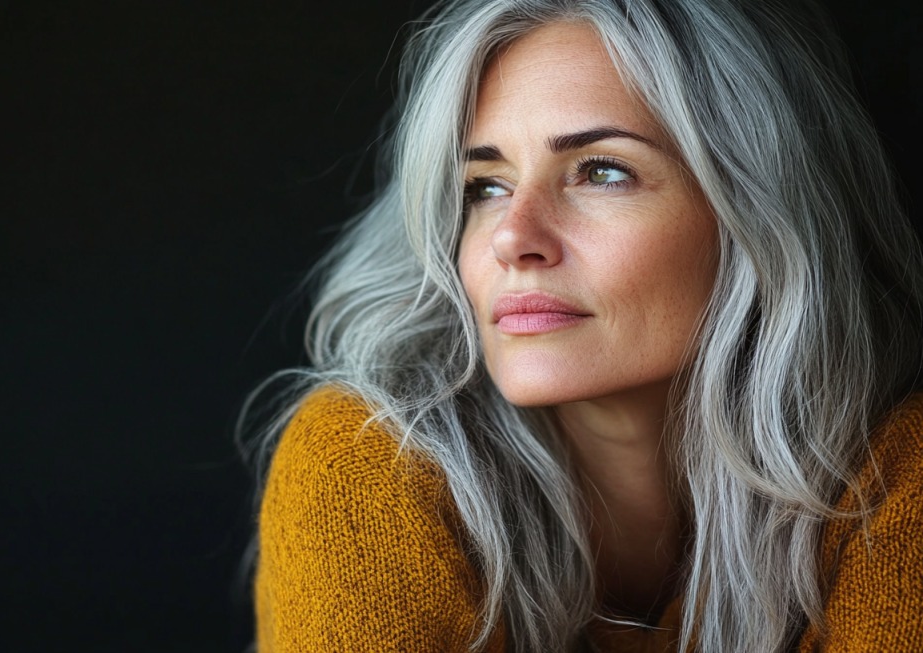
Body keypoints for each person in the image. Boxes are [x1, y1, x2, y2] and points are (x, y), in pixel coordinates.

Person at [243, 0, 923, 650]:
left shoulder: (897, 481)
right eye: (485, 186)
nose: (512, 237)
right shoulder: (363, 463)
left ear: (754, 218)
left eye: (600, 172)